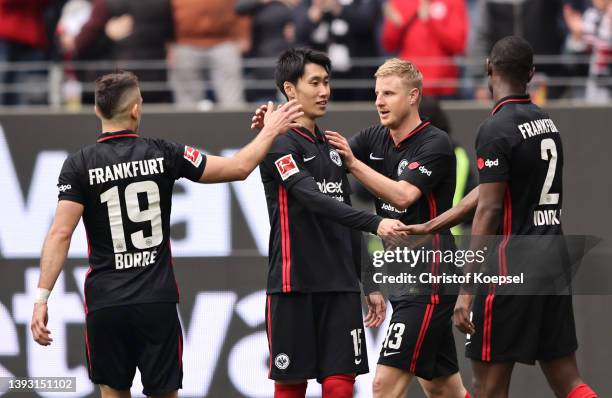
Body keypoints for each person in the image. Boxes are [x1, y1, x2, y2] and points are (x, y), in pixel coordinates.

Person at [29, 70, 303, 398]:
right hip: (155, 301)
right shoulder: (164, 152)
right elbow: (238, 168)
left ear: (97, 110)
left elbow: (60, 233)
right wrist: (270, 131)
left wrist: (42, 298)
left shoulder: (78, 164)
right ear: (135, 110)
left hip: (106, 304)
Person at [399, 36, 598, 398]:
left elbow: (490, 209)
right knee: (569, 381)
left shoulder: (495, 129)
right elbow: (490, 191)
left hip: (510, 271)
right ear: (531, 74)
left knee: (488, 388)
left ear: (489, 67)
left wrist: (466, 292)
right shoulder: (545, 122)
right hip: (551, 263)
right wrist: (432, 224)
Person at [251, 48, 403, 398]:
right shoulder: (276, 144)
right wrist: (376, 223)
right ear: (290, 89)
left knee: (340, 385)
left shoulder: (333, 147)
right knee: (291, 385)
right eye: (315, 82)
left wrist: (370, 282)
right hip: (294, 286)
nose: (325, 91)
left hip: (340, 288)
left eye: (327, 82)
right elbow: (313, 200)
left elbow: (342, 213)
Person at [325, 58, 470, 398]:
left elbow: (404, 196)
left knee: (383, 385)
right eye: (377, 93)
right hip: (401, 279)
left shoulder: (435, 143)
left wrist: (354, 163)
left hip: (430, 280)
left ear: (413, 96)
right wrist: (283, 131)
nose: (380, 101)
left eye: (389, 93)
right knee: (442, 388)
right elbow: (325, 156)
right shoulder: (375, 138)